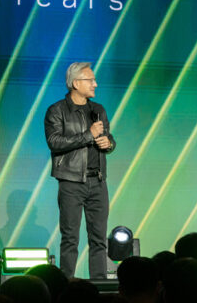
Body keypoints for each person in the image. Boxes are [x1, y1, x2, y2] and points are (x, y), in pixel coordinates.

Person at [45, 62, 116, 279]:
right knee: (70, 238)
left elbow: (108, 137)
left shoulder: (98, 110)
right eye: (90, 80)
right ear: (76, 83)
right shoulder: (57, 110)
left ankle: (99, 284)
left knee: (99, 239)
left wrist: (109, 143)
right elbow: (54, 142)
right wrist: (88, 135)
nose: (95, 84)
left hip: (98, 181)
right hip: (71, 182)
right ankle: (66, 284)